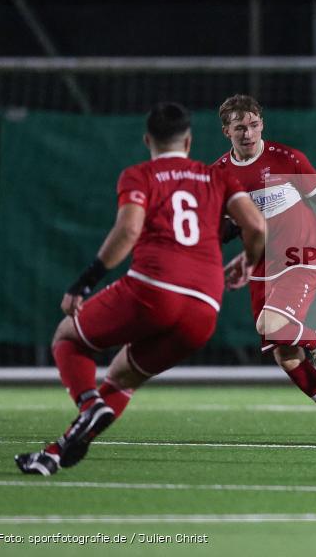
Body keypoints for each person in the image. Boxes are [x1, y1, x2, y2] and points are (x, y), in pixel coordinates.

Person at [15, 102, 266, 475]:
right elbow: (257, 227)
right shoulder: (217, 177)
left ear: (148, 139)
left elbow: (129, 230)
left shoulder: (140, 175)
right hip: (203, 309)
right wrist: (248, 260)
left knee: (68, 337)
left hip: (154, 290)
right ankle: (55, 453)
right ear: (189, 141)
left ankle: (87, 404)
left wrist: (84, 281)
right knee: (121, 378)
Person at [215, 94, 316, 443]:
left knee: (271, 325)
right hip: (263, 266)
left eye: (253, 125)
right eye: (240, 128)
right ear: (227, 132)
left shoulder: (288, 158)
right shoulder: (220, 172)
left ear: (261, 125)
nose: (248, 133)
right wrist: (240, 258)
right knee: (285, 354)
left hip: (301, 254)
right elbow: (233, 225)